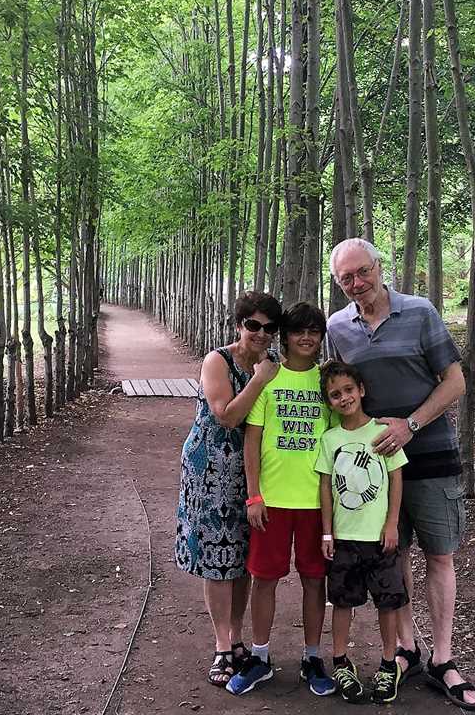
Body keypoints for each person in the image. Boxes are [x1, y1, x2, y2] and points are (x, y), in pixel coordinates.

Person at [326, 238, 475, 711]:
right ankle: (405, 650)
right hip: (372, 468)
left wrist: (411, 425)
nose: (357, 283)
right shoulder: (338, 327)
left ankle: (443, 658)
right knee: (395, 556)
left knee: (439, 555)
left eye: (362, 272)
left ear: (379, 267)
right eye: (345, 279)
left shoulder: (420, 312)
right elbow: (337, 390)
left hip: (431, 456)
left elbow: (455, 380)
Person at [227, 301, 336, 698]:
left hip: (314, 503)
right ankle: (259, 656)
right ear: (286, 336)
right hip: (271, 502)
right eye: (297, 331)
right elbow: (251, 442)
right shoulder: (268, 378)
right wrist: (255, 495)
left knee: (313, 580)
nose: (306, 338)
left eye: (314, 331)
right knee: (265, 579)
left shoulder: (328, 383)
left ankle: (312, 657)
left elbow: (339, 439)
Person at [176, 291, 283, 687]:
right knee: (218, 556)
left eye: (269, 327)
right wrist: (258, 379)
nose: (260, 333)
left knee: (243, 558)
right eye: (252, 325)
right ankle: (223, 645)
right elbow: (225, 416)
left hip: (254, 473)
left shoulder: (274, 366)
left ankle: (237, 637)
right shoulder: (217, 360)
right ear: (239, 325)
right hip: (212, 470)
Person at [316, 359, 408, 705]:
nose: (343, 398)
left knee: (388, 602)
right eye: (335, 394)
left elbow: (396, 478)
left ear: (361, 390)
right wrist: (327, 532)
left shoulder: (381, 433)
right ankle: (341, 661)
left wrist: (391, 524)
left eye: (348, 390)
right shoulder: (330, 440)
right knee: (342, 601)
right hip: (344, 538)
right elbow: (325, 488)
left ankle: (388, 664)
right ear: (329, 401)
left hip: (379, 538)